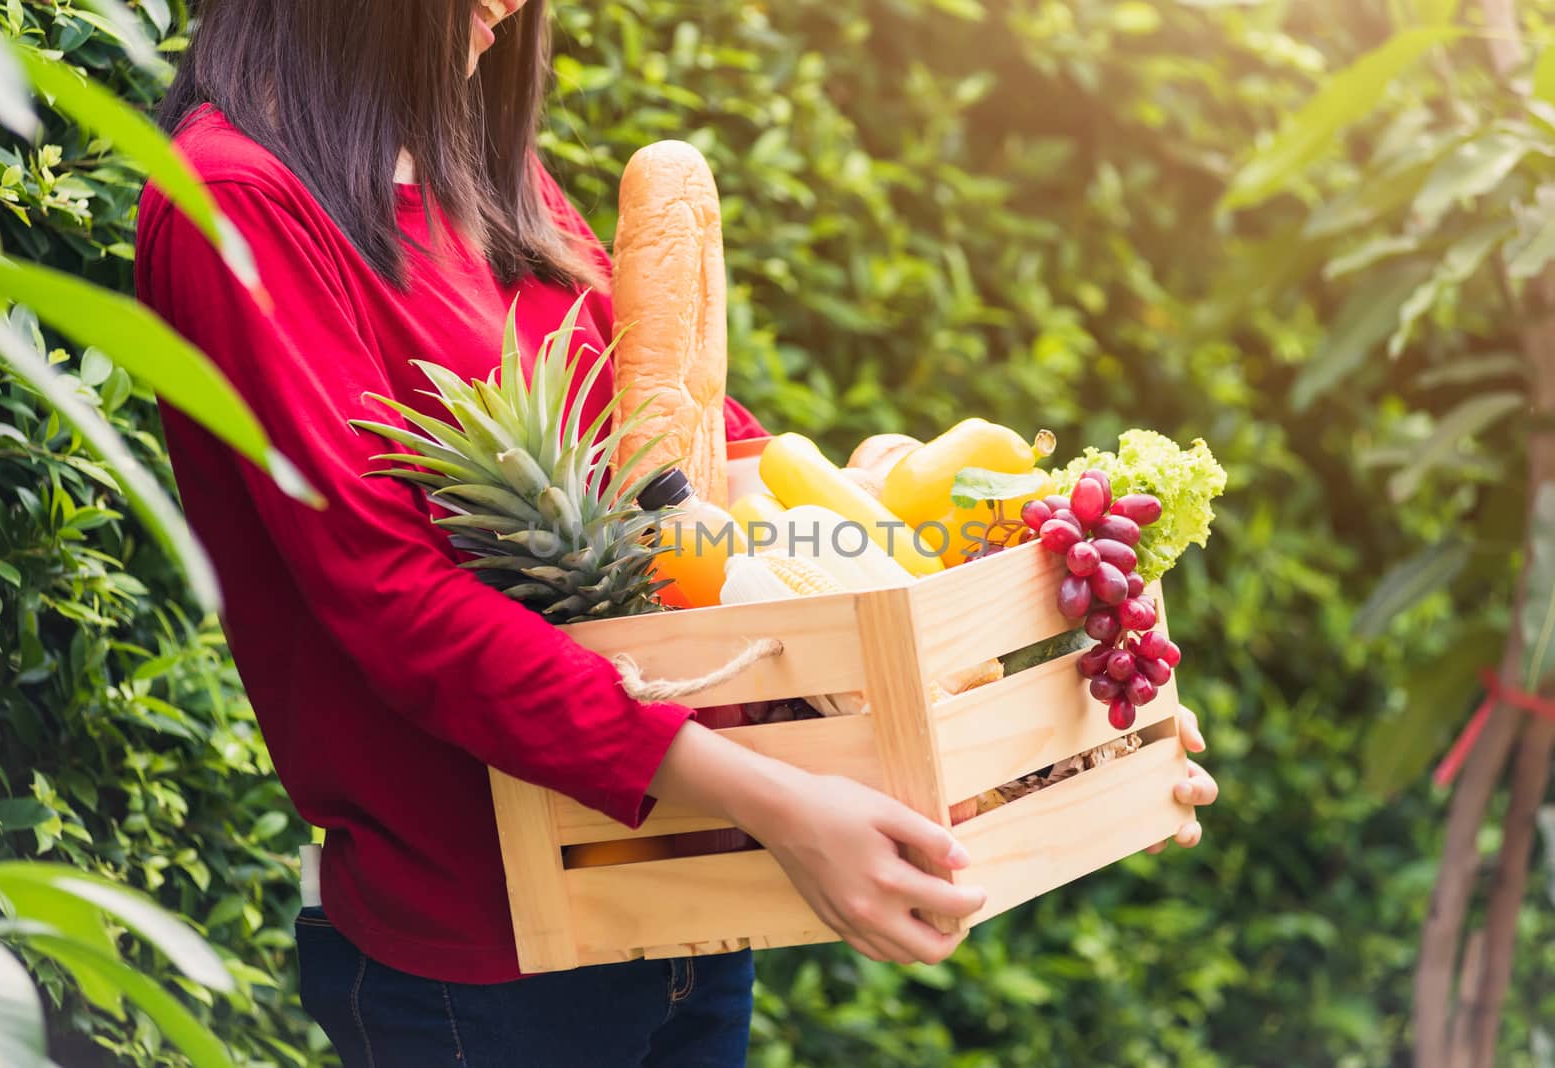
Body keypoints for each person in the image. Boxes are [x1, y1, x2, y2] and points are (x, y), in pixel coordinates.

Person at [134, 1, 1220, 1064]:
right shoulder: (237, 202)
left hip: (681, 892)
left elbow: (694, 457)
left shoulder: (457, 152)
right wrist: (780, 801)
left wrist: (1052, 738)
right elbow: (395, 600)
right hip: (487, 962)